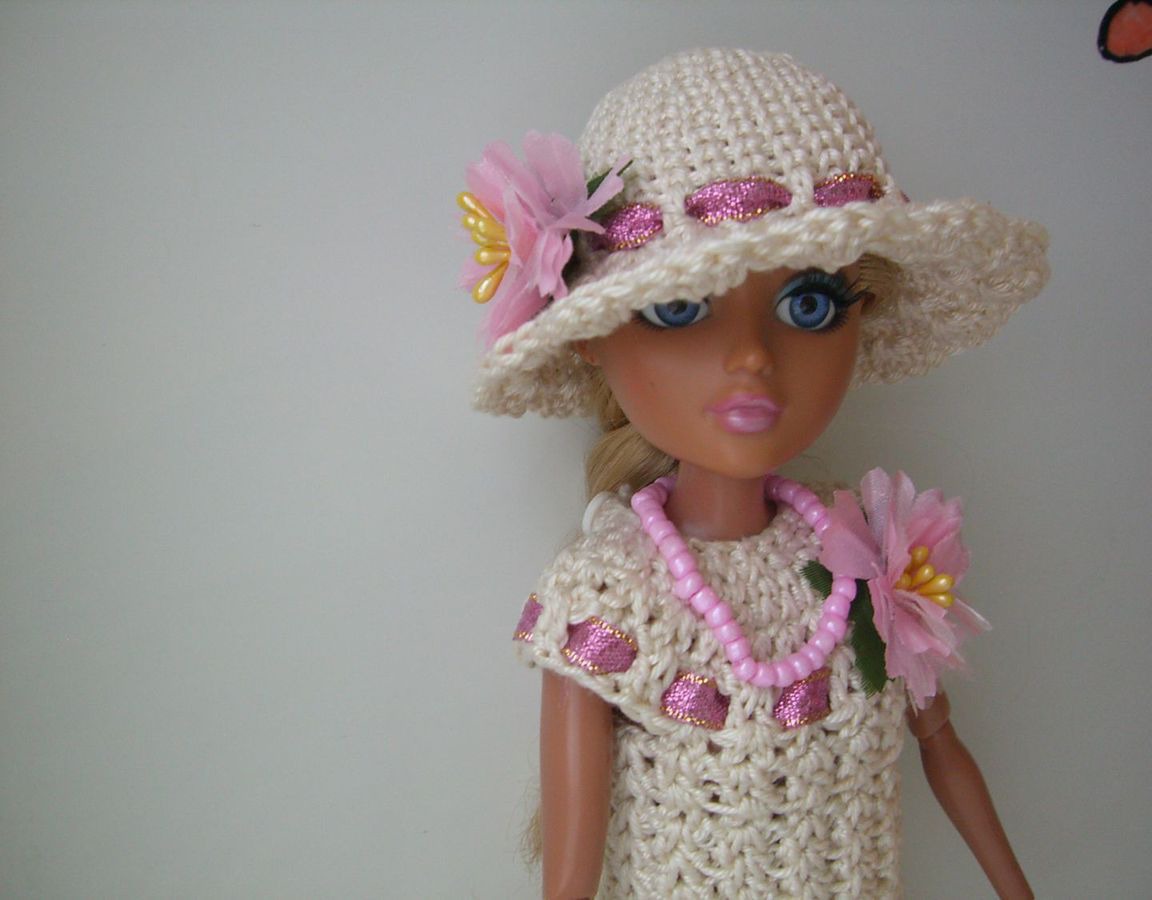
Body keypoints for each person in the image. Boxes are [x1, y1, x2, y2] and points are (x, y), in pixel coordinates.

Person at [457, 49, 1048, 899]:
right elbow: (571, 875)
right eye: (679, 309)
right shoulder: (610, 600)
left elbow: (943, 749)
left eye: (809, 304)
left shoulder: (867, 569)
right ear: (590, 337)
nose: (750, 358)